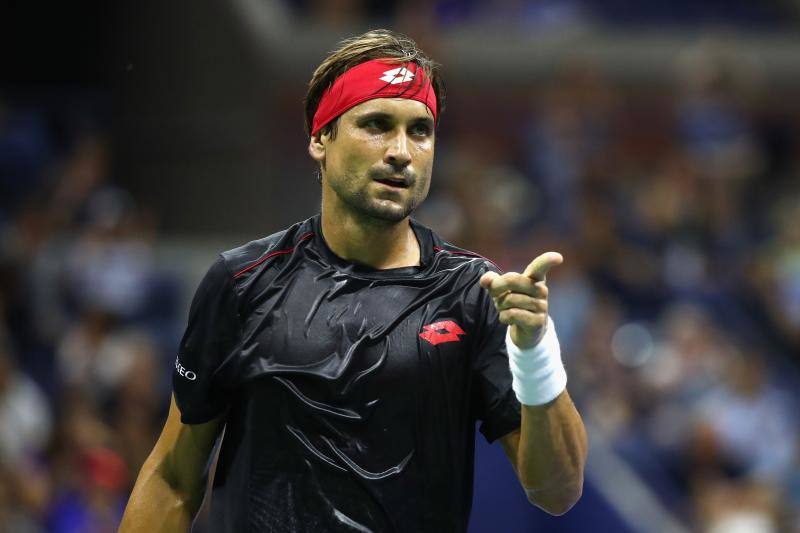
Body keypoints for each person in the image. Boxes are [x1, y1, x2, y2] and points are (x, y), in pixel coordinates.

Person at [120, 29, 587, 533]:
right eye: (377, 125)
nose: (401, 152)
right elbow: (173, 477)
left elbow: (556, 491)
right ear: (321, 138)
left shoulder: (476, 294)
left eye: (420, 130)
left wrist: (535, 351)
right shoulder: (241, 283)